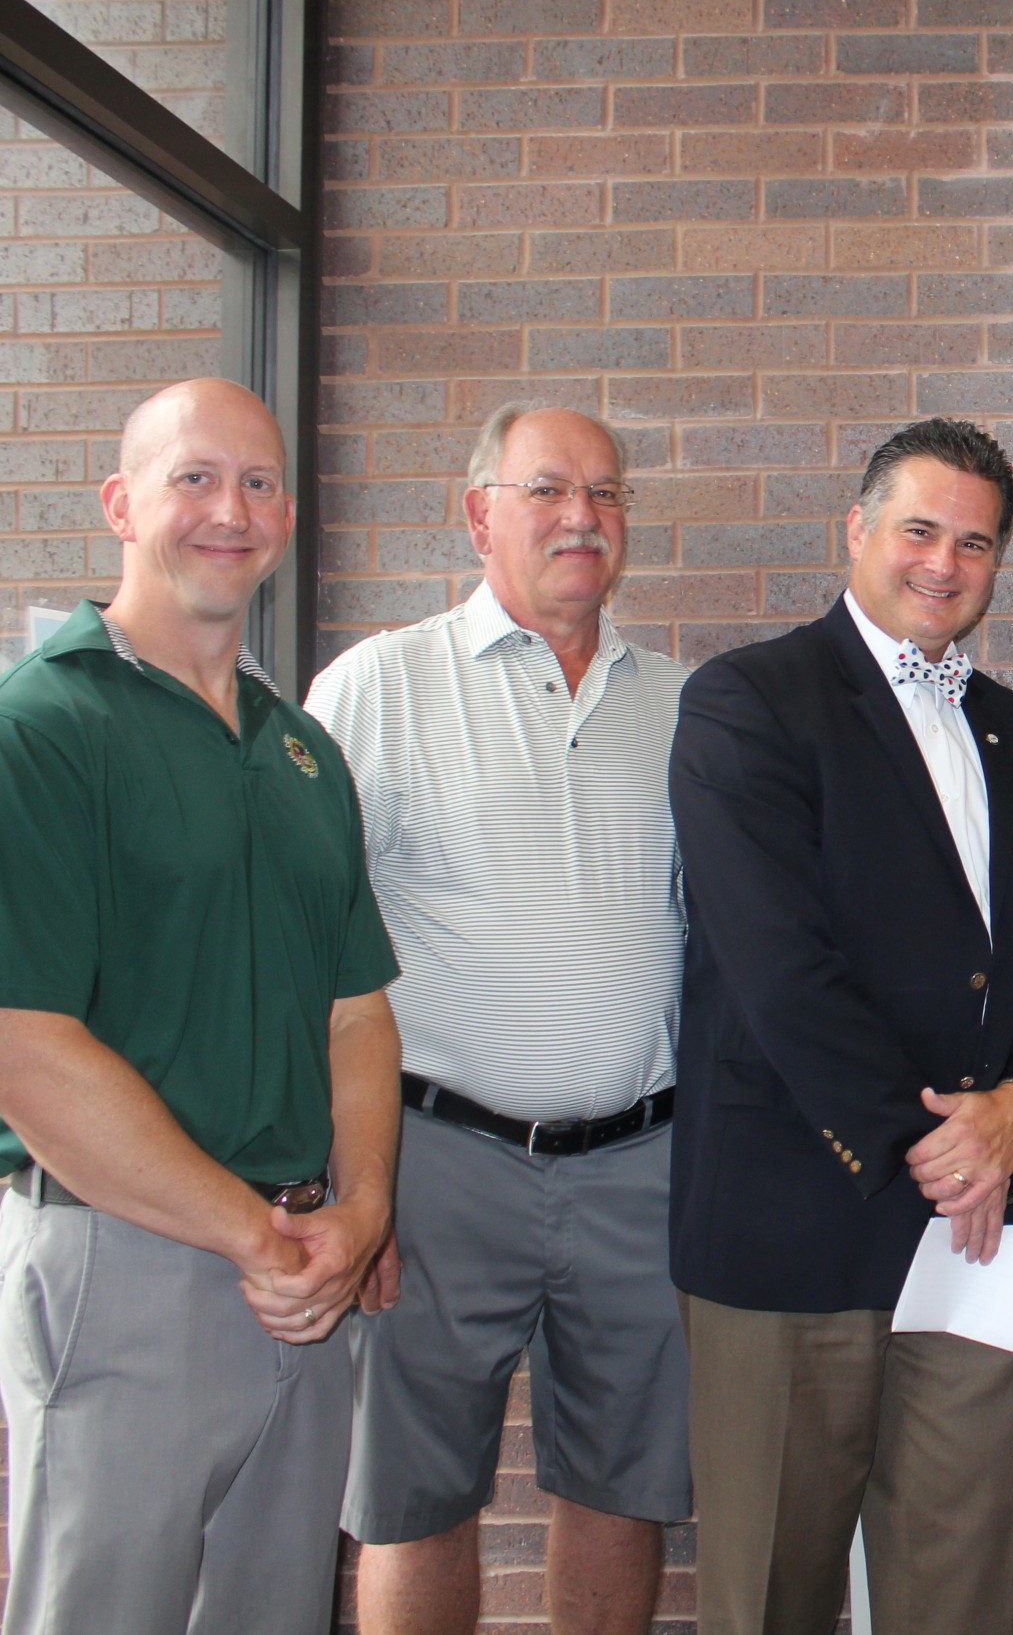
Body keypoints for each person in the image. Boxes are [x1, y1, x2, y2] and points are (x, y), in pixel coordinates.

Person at [0, 378, 403, 1635]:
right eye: (194, 478)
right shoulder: (30, 732)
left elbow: (355, 1014)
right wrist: (255, 1236)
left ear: (286, 516)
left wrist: (359, 1214)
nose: (229, 510)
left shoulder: (303, 754)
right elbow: (16, 1051)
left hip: (304, 1271)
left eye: (258, 483)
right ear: (121, 504)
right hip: (128, 1261)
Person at [669, 416, 1013, 1635]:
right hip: (793, 1229)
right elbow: (777, 965)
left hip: (986, 1238)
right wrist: (934, 1145)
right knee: (773, 1597)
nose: (943, 563)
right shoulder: (746, 702)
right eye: (920, 530)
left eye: (975, 543)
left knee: (969, 1595)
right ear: (855, 531)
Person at [305, 404, 692, 1635]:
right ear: (479, 515)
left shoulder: (684, 705)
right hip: (434, 1166)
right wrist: (348, 1185)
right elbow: (306, 944)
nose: (583, 516)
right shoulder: (379, 685)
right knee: (413, 1502)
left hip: (640, 1168)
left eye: (607, 492)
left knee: (624, 1492)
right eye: (548, 490)